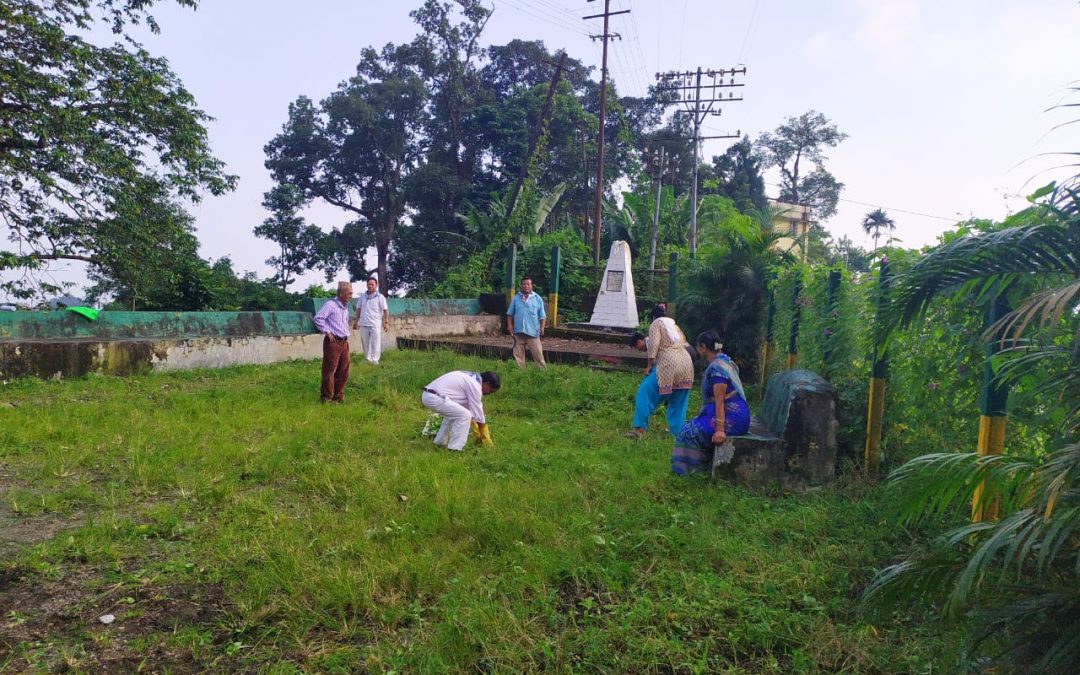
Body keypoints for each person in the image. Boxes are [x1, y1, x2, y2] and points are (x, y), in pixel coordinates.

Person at [671, 330, 751, 475]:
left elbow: (720, 401)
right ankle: (702, 465)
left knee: (689, 431)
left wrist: (720, 431)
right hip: (731, 412)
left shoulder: (717, 369)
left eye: (698, 346)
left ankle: (691, 471)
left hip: (732, 418)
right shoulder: (725, 361)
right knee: (693, 424)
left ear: (703, 347)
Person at [625, 303, 694, 439]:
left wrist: (649, 366)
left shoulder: (656, 324)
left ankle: (639, 429)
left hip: (669, 364)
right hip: (686, 364)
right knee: (678, 401)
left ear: (653, 317)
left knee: (644, 392)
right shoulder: (674, 326)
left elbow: (654, 345)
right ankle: (678, 434)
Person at [421, 370, 501, 452]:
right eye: (490, 391)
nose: (489, 394)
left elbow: (470, 408)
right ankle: (455, 448)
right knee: (465, 416)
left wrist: (476, 429)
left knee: (456, 415)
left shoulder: (471, 378)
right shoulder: (475, 385)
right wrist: (484, 433)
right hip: (434, 397)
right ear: (486, 383)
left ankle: (440, 443)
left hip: (430, 395)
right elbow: (478, 412)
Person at [313, 281, 353, 403]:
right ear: (341, 293)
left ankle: (337, 396)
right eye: (349, 293)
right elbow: (318, 318)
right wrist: (327, 332)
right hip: (333, 342)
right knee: (329, 370)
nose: (351, 296)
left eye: (351, 293)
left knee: (343, 371)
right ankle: (326, 398)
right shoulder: (330, 305)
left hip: (344, 342)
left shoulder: (345, 307)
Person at [505, 276, 547, 368]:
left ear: (531, 286)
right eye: (524, 284)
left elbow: (542, 316)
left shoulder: (537, 298)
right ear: (521, 285)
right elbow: (510, 314)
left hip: (533, 332)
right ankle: (520, 372)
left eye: (528, 284)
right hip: (519, 332)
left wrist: (542, 327)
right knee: (518, 355)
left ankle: (542, 372)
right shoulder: (516, 298)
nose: (526, 286)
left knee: (538, 355)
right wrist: (509, 325)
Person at [352, 277, 389, 365]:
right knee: (365, 342)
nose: (370, 286)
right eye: (369, 284)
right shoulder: (362, 297)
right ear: (366, 285)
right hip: (364, 323)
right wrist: (356, 321)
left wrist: (386, 322)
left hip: (375, 324)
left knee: (375, 342)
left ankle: (375, 360)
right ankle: (367, 359)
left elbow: (385, 310)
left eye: (372, 284)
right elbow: (358, 309)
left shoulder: (380, 297)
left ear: (376, 285)